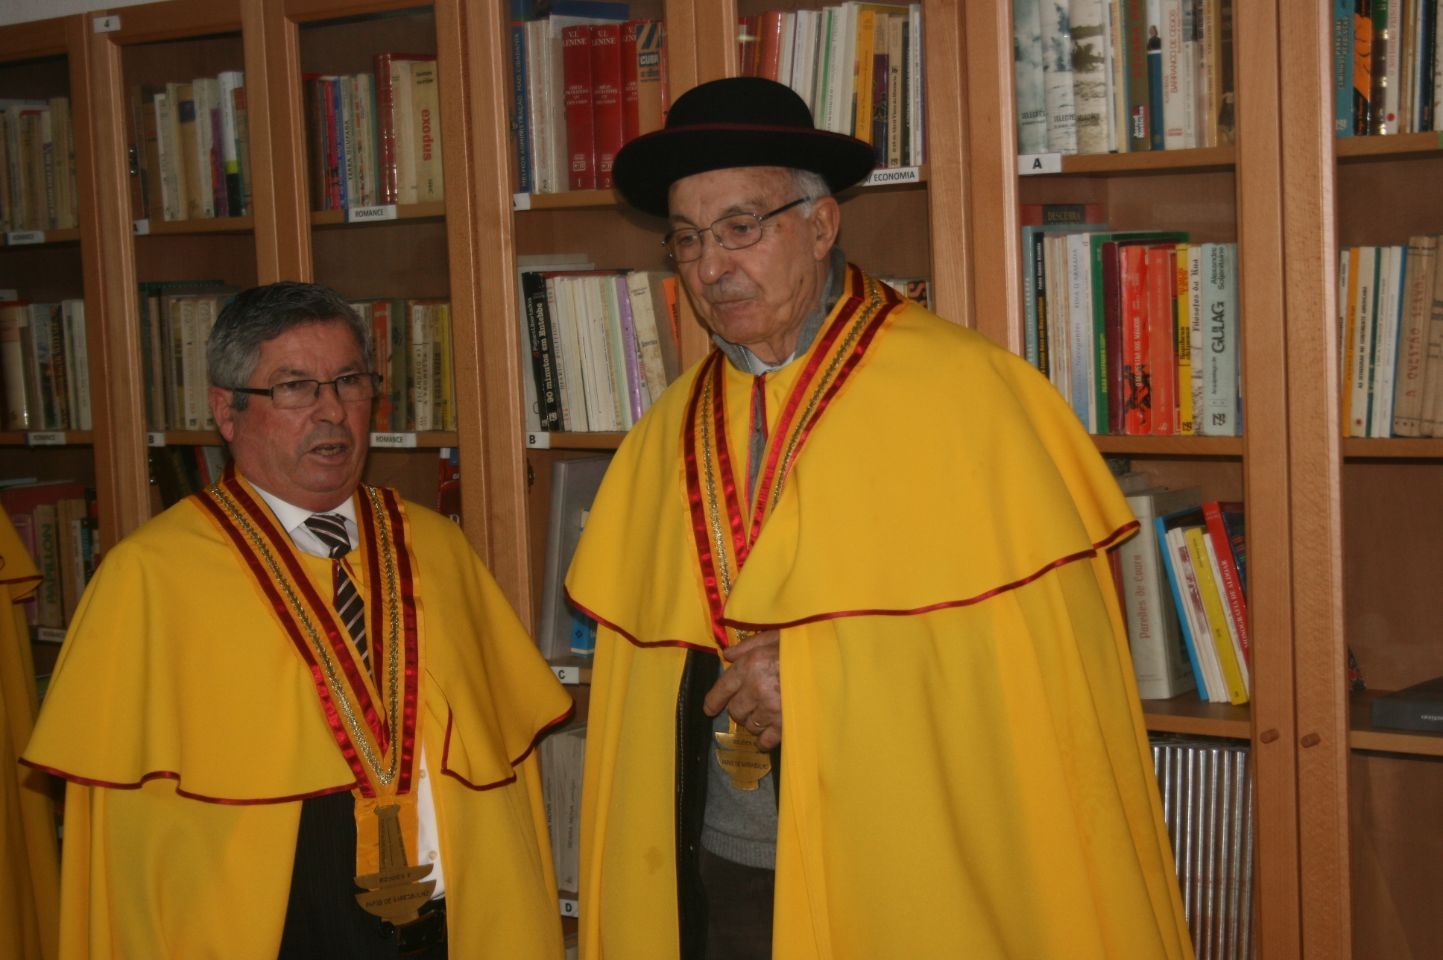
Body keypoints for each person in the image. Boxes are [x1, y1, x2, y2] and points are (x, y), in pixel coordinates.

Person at [566, 77, 1194, 959]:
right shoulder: (665, 431)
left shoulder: (966, 393)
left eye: (741, 227)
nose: (711, 267)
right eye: (688, 239)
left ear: (821, 225)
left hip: (920, 861)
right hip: (722, 862)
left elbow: (1027, 676)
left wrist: (817, 674)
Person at [23, 282, 572, 959]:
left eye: (349, 382)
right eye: (294, 388)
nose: (332, 411)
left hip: (449, 922)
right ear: (226, 411)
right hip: (269, 927)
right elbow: (132, 851)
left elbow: (504, 784)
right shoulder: (149, 576)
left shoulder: (438, 547)